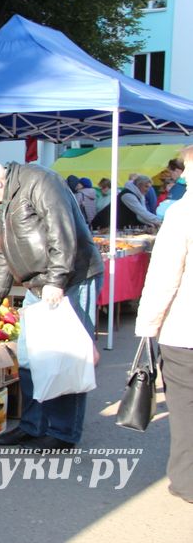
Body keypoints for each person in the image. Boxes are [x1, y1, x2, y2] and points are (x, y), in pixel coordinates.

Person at [0, 158, 103, 451]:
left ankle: (63, 433)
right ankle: (32, 425)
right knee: (29, 357)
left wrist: (56, 279)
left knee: (68, 357)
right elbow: (4, 254)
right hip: (37, 285)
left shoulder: (40, 181)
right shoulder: (2, 204)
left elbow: (62, 231)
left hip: (71, 277)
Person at [135, 144, 193, 504]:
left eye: (187, 168)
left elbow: (165, 276)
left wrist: (147, 327)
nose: (183, 176)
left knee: (185, 407)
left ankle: (187, 481)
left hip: (186, 330)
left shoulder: (185, 213)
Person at [90, 174, 161, 230]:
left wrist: (152, 222)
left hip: (114, 226)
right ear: (139, 185)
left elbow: (141, 216)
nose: (148, 190)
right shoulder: (127, 195)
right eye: (146, 186)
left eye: (149, 187)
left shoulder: (139, 196)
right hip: (103, 225)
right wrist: (159, 221)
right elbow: (141, 212)